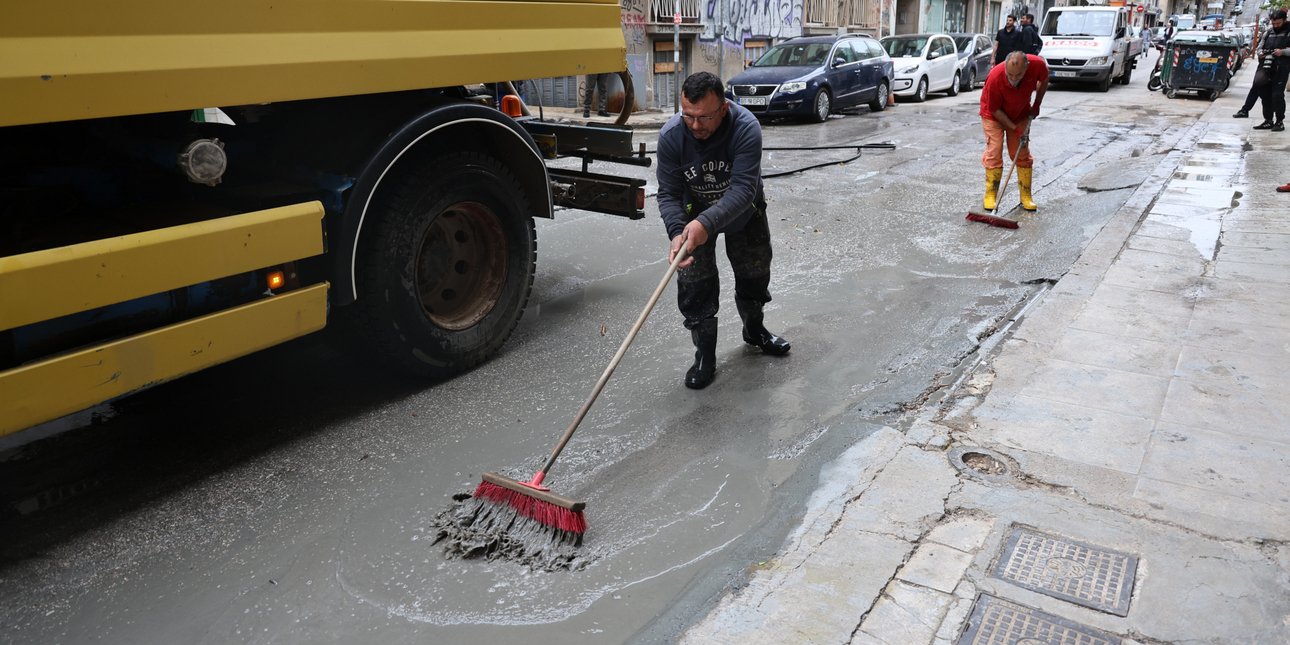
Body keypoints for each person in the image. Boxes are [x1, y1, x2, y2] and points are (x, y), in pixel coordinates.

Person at [656, 72, 791, 390]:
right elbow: (668, 194)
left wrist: (706, 224)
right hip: (694, 217)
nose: (695, 126)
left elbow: (743, 190)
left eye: (704, 117)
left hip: (744, 213)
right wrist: (678, 231)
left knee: (755, 276)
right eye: (688, 115)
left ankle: (754, 330)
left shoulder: (746, 128)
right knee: (695, 288)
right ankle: (705, 355)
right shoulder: (672, 136)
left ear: (724, 108)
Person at [979, 51, 1049, 212]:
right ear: (1005, 66)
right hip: (993, 115)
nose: (1013, 79)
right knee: (994, 150)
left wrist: (1037, 104)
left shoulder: (1037, 65)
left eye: (1018, 75)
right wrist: (1015, 129)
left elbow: (1044, 80)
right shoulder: (995, 77)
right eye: (1010, 75)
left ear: (1027, 68)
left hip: (1021, 113)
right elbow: (995, 110)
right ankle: (990, 195)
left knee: (1020, 152)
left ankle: (1026, 196)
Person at [1252, 9, 1290, 131]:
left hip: (1281, 68)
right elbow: (1259, 47)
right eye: (1273, 23)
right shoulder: (1268, 32)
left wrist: (1282, 52)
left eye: (1278, 23)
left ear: (1284, 20)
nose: (1275, 26)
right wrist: (1260, 53)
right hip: (1265, 67)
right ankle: (1268, 120)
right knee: (1264, 94)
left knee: (1277, 95)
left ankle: (1279, 121)